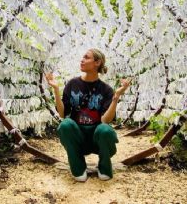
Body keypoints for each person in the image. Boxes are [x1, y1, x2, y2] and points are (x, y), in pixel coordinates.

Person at [45, 48, 131, 182]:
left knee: (105, 130)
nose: (82, 60)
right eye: (82, 57)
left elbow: (105, 120)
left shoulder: (106, 90)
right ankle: (78, 167)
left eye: (86, 57)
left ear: (97, 62)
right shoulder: (72, 84)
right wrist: (56, 89)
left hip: (97, 139)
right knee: (65, 125)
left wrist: (116, 97)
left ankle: (104, 166)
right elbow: (63, 114)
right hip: (79, 138)